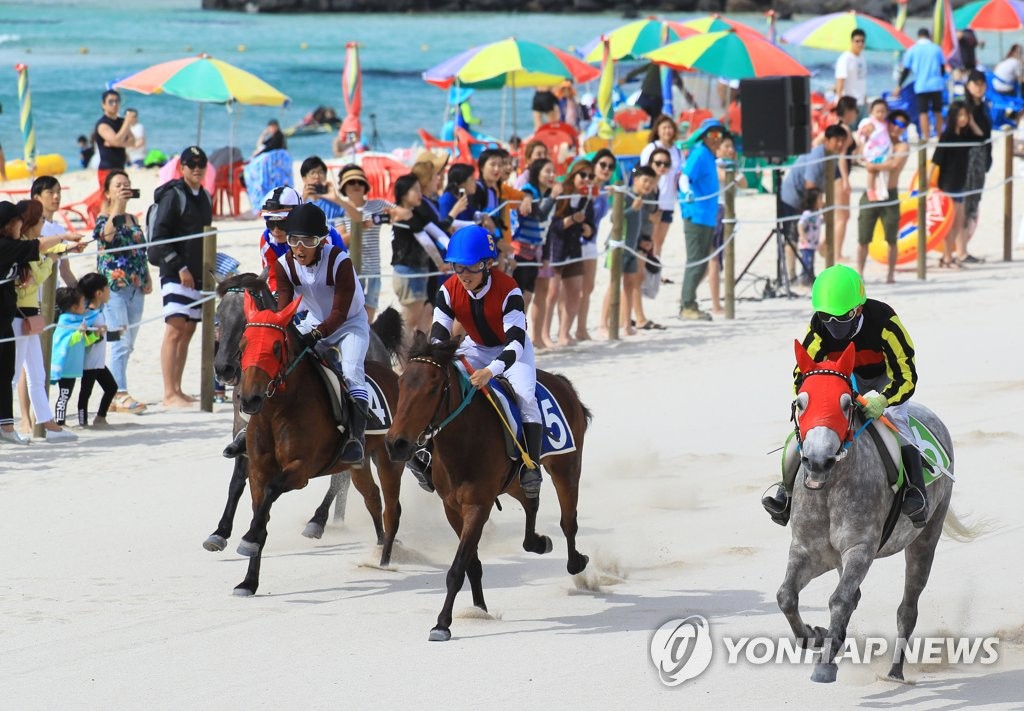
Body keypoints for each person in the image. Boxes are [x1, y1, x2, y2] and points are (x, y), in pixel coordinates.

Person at [761, 265, 926, 529]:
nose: (832, 325)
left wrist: (882, 400)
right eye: (827, 317)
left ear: (858, 309)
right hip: (843, 377)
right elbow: (801, 374)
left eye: (840, 318)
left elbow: (906, 376)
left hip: (886, 377)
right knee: (807, 426)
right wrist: (816, 397)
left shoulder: (886, 322)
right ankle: (786, 494)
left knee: (896, 419)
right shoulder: (819, 324)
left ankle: (916, 492)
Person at [429, 225, 543, 497]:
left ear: (487, 264)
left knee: (526, 396)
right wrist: (434, 362)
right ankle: (425, 452)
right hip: (475, 346)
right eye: (458, 267)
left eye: (470, 268)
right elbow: (438, 334)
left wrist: (490, 372)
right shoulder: (447, 290)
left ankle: (531, 466)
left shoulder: (509, 290)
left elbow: (516, 341)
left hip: (512, 350)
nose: (463, 275)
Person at [275, 203, 370, 464]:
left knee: (350, 371)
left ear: (322, 240)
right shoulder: (284, 265)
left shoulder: (340, 260)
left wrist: (317, 335)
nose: (300, 248)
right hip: (315, 322)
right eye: (294, 241)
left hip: (350, 323)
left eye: (309, 241)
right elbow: (283, 308)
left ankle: (356, 438)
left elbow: (339, 312)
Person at [0, 201, 82, 444]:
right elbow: (38, 253)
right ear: (10, 224)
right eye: (18, 221)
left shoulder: (15, 247)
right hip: (15, 318)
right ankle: (17, 424)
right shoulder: (5, 246)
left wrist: (64, 248)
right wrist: (65, 236)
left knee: (20, 373)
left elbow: (40, 250)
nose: (21, 225)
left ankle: (20, 426)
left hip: (10, 318)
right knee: (11, 375)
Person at [147, 145, 212, 407]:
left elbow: (207, 237)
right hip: (175, 272)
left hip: (198, 275)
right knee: (174, 329)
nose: (196, 169)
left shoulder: (205, 196)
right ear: (181, 167)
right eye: (191, 164)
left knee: (188, 330)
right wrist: (181, 268)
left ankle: (178, 388)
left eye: (201, 164)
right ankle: (168, 393)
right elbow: (161, 237)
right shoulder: (173, 195)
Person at [94, 169, 150, 414]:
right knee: (120, 341)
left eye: (126, 184)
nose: (124, 188)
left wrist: (147, 275)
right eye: (118, 185)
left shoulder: (132, 218)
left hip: (136, 286)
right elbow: (106, 238)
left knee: (129, 344)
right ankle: (119, 393)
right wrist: (116, 205)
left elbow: (141, 248)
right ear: (107, 192)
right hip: (113, 288)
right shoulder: (105, 216)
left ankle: (116, 391)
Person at [336, 164, 404, 323]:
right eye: (351, 182)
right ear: (344, 187)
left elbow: (401, 213)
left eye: (360, 182)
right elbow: (341, 241)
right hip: (351, 270)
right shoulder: (341, 211)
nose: (356, 186)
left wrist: (389, 216)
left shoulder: (377, 205)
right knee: (352, 314)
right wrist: (359, 228)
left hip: (374, 269)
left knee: (370, 314)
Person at [780, 126, 849, 278]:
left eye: (843, 141)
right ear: (827, 140)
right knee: (792, 237)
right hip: (793, 197)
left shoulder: (833, 155)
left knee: (810, 237)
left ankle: (807, 273)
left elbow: (831, 180)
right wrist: (821, 205)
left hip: (810, 199)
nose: (840, 144)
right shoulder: (818, 155)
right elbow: (809, 184)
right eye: (837, 140)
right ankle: (791, 275)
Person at [679, 119, 726, 322]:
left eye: (719, 135)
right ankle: (687, 306)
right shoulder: (699, 153)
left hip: (707, 216)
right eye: (712, 135)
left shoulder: (709, 155)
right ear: (704, 136)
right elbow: (684, 177)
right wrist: (687, 192)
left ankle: (689, 302)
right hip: (696, 214)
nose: (716, 139)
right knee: (696, 261)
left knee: (702, 262)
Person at [857, 110, 912, 283]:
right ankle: (859, 274)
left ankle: (890, 274)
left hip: (890, 194)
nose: (897, 127)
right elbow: (861, 156)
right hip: (871, 193)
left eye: (902, 125)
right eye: (894, 122)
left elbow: (894, 164)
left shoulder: (902, 146)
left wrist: (873, 166)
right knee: (863, 237)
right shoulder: (876, 140)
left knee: (891, 238)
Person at [603, 165, 658, 336]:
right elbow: (614, 218)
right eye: (645, 181)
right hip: (618, 247)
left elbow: (638, 225)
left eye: (651, 182)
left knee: (629, 284)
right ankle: (603, 324)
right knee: (614, 284)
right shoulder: (626, 194)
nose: (648, 185)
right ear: (636, 180)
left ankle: (626, 324)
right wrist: (632, 208)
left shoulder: (643, 199)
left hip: (633, 248)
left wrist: (643, 242)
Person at [546, 160, 594, 347]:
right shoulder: (561, 195)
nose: (586, 180)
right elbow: (553, 226)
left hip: (574, 250)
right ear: (573, 174)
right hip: (556, 249)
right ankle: (543, 335)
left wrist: (587, 228)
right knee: (552, 294)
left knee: (575, 292)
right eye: (583, 175)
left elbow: (591, 227)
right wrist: (572, 220)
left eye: (590, 177)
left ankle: (564, 333)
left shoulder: (586, 199)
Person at [390, 174, 447, 334]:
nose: (420, 193)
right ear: (403, 194)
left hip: (414, 272)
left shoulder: (413, 213)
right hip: (409, 272)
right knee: (409, 322)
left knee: (418, 318)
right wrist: (440, 263)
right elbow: (427, 242)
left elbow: (436, 232)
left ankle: (413, 356)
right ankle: (402, 359)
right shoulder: (406, 214)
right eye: (415, 190)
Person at [930, 101, 976, 268]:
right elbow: (937, 159)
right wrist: (928, 181)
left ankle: (948, 255)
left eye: (965, 115)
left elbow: (981, 137)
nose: (963, 119)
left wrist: (970, 122)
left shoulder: (965, 135)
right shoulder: (947, 135)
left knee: (958, 223)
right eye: (961, 115)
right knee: (949, 224)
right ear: (953, 117)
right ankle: (947, 257)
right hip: (948, 185)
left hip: (960, 184)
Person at [512, 158, 559, 315]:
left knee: (528, 297)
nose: (552, 175)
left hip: (534, 254)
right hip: (519, 252)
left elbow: (547, 228)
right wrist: (553, 197)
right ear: (536, 173)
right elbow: (540, 215)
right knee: (517, 299)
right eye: (547, 171)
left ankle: (520, 335)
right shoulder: (529, 191)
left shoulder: (544, 194)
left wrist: (546, 256)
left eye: (553, 171)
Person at [709, 135, 746, 315]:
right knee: (714, 258)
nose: (730, 150)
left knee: (721, 258)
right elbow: (726, 178)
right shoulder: (716, 164)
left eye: (731, 146)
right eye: (726, 146)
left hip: (727, 211)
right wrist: (732, 167)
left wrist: (734, 166)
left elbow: (743, 183)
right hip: (717, 210)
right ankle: (716, 303)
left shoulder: (730, 166)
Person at [77, 273, 117, 428]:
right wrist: (97, 334)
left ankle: (100, 417)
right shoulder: (89, 314)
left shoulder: (98, 312)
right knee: (85, 393)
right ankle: (83, 422)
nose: (109, 291)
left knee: (111, 387)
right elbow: (85, 339)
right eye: (107, 288)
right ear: (99, 293)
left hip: (98, 362)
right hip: (89, 362)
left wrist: (116, 332)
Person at [639, 115, 683, 258]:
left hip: (669, 200)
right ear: (657, 130)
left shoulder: (677, 151)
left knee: (660, 240)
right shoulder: (651, 148)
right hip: (653, 199)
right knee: (649, 238)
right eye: (664, 127)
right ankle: (647, 267)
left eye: (670, 127)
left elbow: (681, 173)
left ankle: (655, 269)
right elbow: (642, 173)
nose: (667, 131)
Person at [962, 71, 993, 262]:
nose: (979, 87)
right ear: (968, 85)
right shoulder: (964, 108)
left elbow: (986, 136)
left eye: (982, 84)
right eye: (976, 83)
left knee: (973, 203)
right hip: (967, 161)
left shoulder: (982, 107)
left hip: (981, 161)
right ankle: (961, 250)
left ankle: (963, 248)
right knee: (965, 204)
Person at [896, 28, 946, 142]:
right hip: (936, 84)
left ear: (918, 36)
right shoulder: (936, 49)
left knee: (923, 112)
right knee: (937, 111)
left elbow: (906, 70)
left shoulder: (912, 50)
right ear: (929, 36)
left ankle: (926, 137)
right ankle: (939, 137)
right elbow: (942, 67)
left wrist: (899, 85)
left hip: (921, 85)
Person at [50, 286, 91, 427]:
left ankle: (60, 420)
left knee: (66, 394)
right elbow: (65, 341)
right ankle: (60, 422)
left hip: (73, 367)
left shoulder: (77, 321)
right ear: (74, 307)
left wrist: (94, 336)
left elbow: (82, 341)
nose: (85, 304)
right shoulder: (65, 322)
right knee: (64, 395)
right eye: (82, 302)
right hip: (66, 367)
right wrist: (79, 333)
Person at [31, 176, 78, 288]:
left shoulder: (60, 229)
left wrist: (80, 296)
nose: (56, 196)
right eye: (50, 192)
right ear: (37, 198)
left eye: (58, 192)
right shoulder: (31, 227)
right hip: (33, 296)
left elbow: (65, 271)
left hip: (53, 295)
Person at [94, 90, 138, 187]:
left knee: (123, 198)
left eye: (117, 101)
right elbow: (117, 141)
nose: (114, 104)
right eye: (111, 101)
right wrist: (127, 123)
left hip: (121, 168)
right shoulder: (102, 124)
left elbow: (133, 141)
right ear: (103, 104)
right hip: (107, 169)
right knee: (108, 200)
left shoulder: (121, 121)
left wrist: (116, 142)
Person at [857, 98, 894, 202]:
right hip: (872, 151)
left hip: (884, 150)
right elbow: (862, 134)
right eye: (878, 111)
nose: (880, 114)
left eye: (883, 111)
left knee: (882, 172)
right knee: (872, 171)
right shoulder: (869, 122)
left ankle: (881, 190)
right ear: (872, 111)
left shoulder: (886, 123)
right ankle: (870, 190)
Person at [299, 155, 346, 223]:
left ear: (325, 176)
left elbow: (354, 216)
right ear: (304, 179)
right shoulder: (298, 202)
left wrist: (337, 199)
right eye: (313, 173)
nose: (317, 176)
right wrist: (303, 200)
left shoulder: (333, 202)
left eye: (320, 172)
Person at [835, 29, 868, 113]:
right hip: (849, 103)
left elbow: (862, 80)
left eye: (862, 41)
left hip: (861, 102)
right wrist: (839, 101)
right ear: (851, 42)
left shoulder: (862, 58)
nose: (860, 44)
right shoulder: (845, 58)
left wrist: (865, 99)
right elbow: (840, 81)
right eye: (857, 41)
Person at [796, 188, 823, 286]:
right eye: (820, 199)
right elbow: (800, 224)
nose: (822, 201)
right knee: (806, 263)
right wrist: (802, 236)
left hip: (813, 245)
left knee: (811, 263)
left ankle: (811, 278)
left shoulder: (817, 214)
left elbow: (820, 222)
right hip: (806, 244)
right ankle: (803, 281)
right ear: (813, 201)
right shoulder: (807, 214)